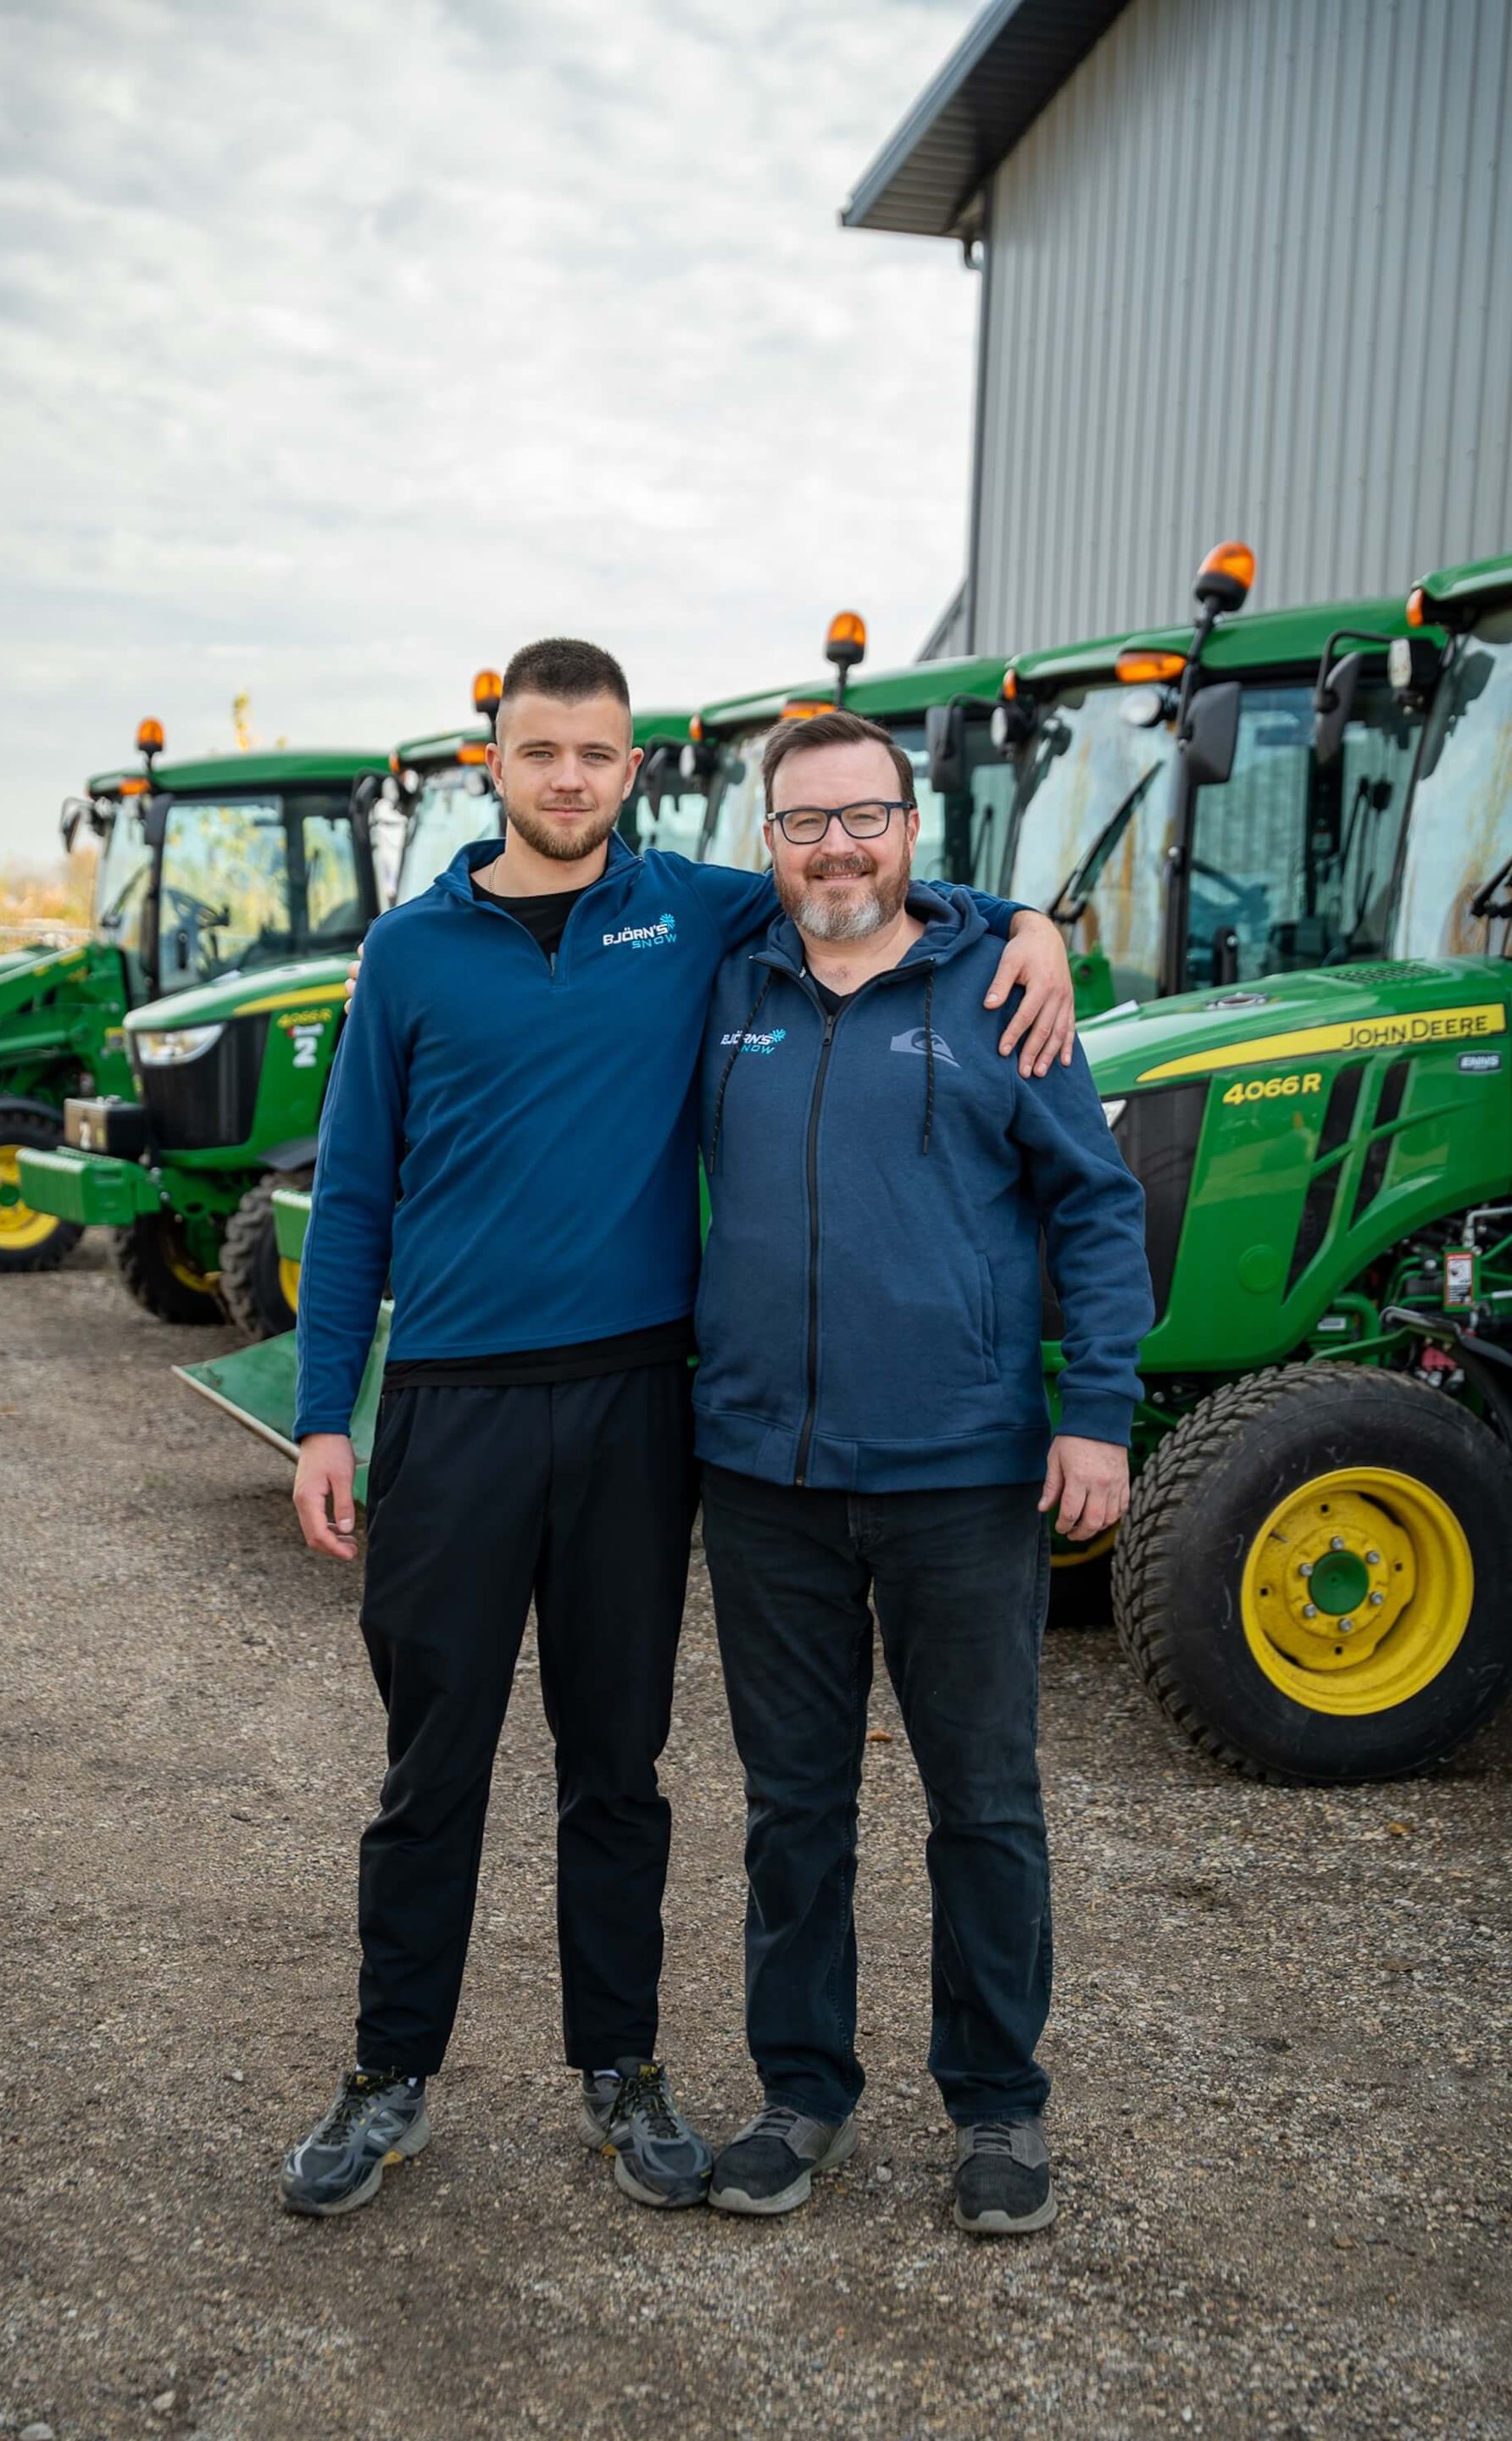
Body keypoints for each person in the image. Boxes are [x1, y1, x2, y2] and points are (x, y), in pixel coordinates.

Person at [279, 641, 1078, 2219]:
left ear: (632, 768)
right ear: (487, 763)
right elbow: (354, 1194)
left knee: (619, 1766)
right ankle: (388, 2078)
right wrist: (325, 1419)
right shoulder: (409, 955)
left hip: (641, 1402)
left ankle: (623, 2070)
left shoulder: (692, 909)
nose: (567, 779)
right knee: (430, 1763)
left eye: (596, 753)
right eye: (538, 753)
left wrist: (1030, 922)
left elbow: (865, 887)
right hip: (449, 1409)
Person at [693, 708, 1153, 2235]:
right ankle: (802, 2091)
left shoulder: (1001, 988)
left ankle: (1000, 2108)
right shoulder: (721, 985)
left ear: (913, 825)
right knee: (792, 1805)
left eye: (866, 817)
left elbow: (1093, 1207)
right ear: (768, 842)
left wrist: (1097, 1410)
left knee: (985, 1800)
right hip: (762, 1473)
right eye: (807, 821)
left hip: (961, 1474)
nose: (838, 845)